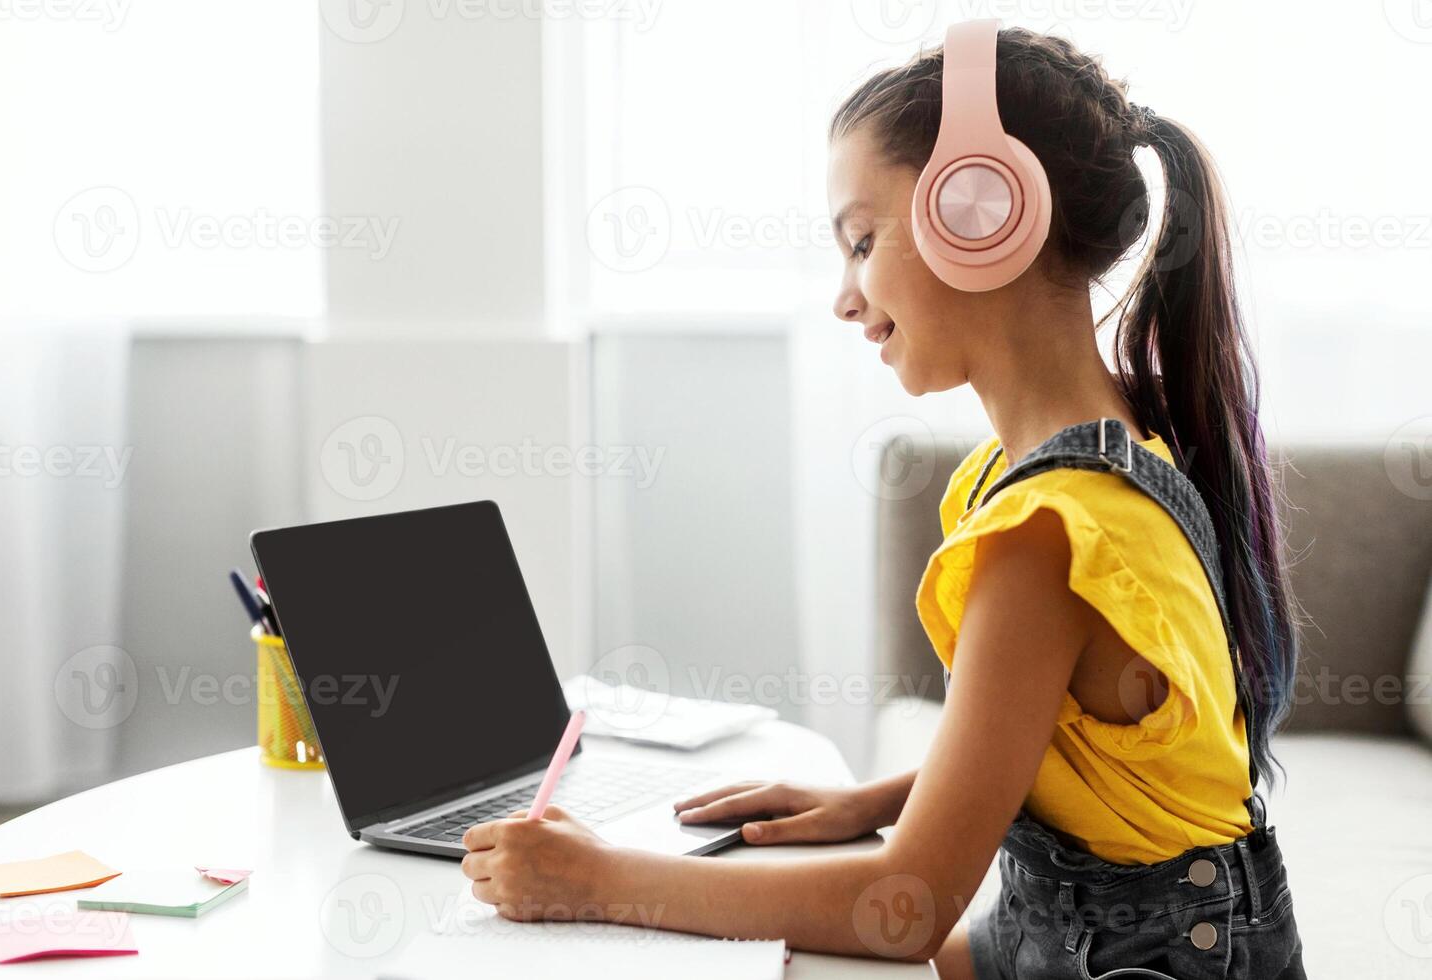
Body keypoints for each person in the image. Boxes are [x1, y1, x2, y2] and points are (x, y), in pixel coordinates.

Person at [459, 24, 1306, 979]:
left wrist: (600, 879)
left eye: (862, 242)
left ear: (981, 211)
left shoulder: (1053, 533)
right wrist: (877, 800)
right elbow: (1072, 746)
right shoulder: (1084, 456)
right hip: (1063, 940)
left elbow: (898, 911)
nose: (845, 298)